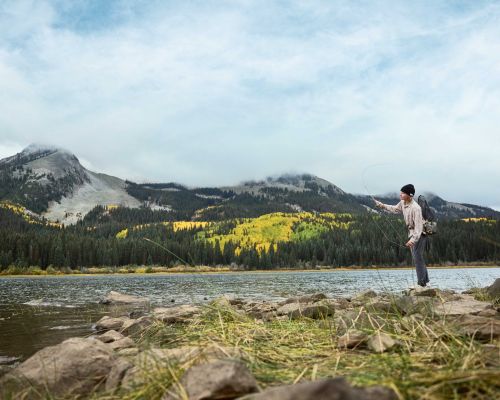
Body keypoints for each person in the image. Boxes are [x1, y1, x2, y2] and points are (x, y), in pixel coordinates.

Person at [374, 184, 429, 287]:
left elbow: (419, 227)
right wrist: (381, 205)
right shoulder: (403, 203)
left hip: (420, 235)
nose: (401, 194)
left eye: (403, 193)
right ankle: (425, 282)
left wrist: (412, 240)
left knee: (417, 258)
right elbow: (394, 209)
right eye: (401, 192)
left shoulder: (416, 208)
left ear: (410, 195)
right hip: (412, 234)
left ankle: (422, 284)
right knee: (418, 258)